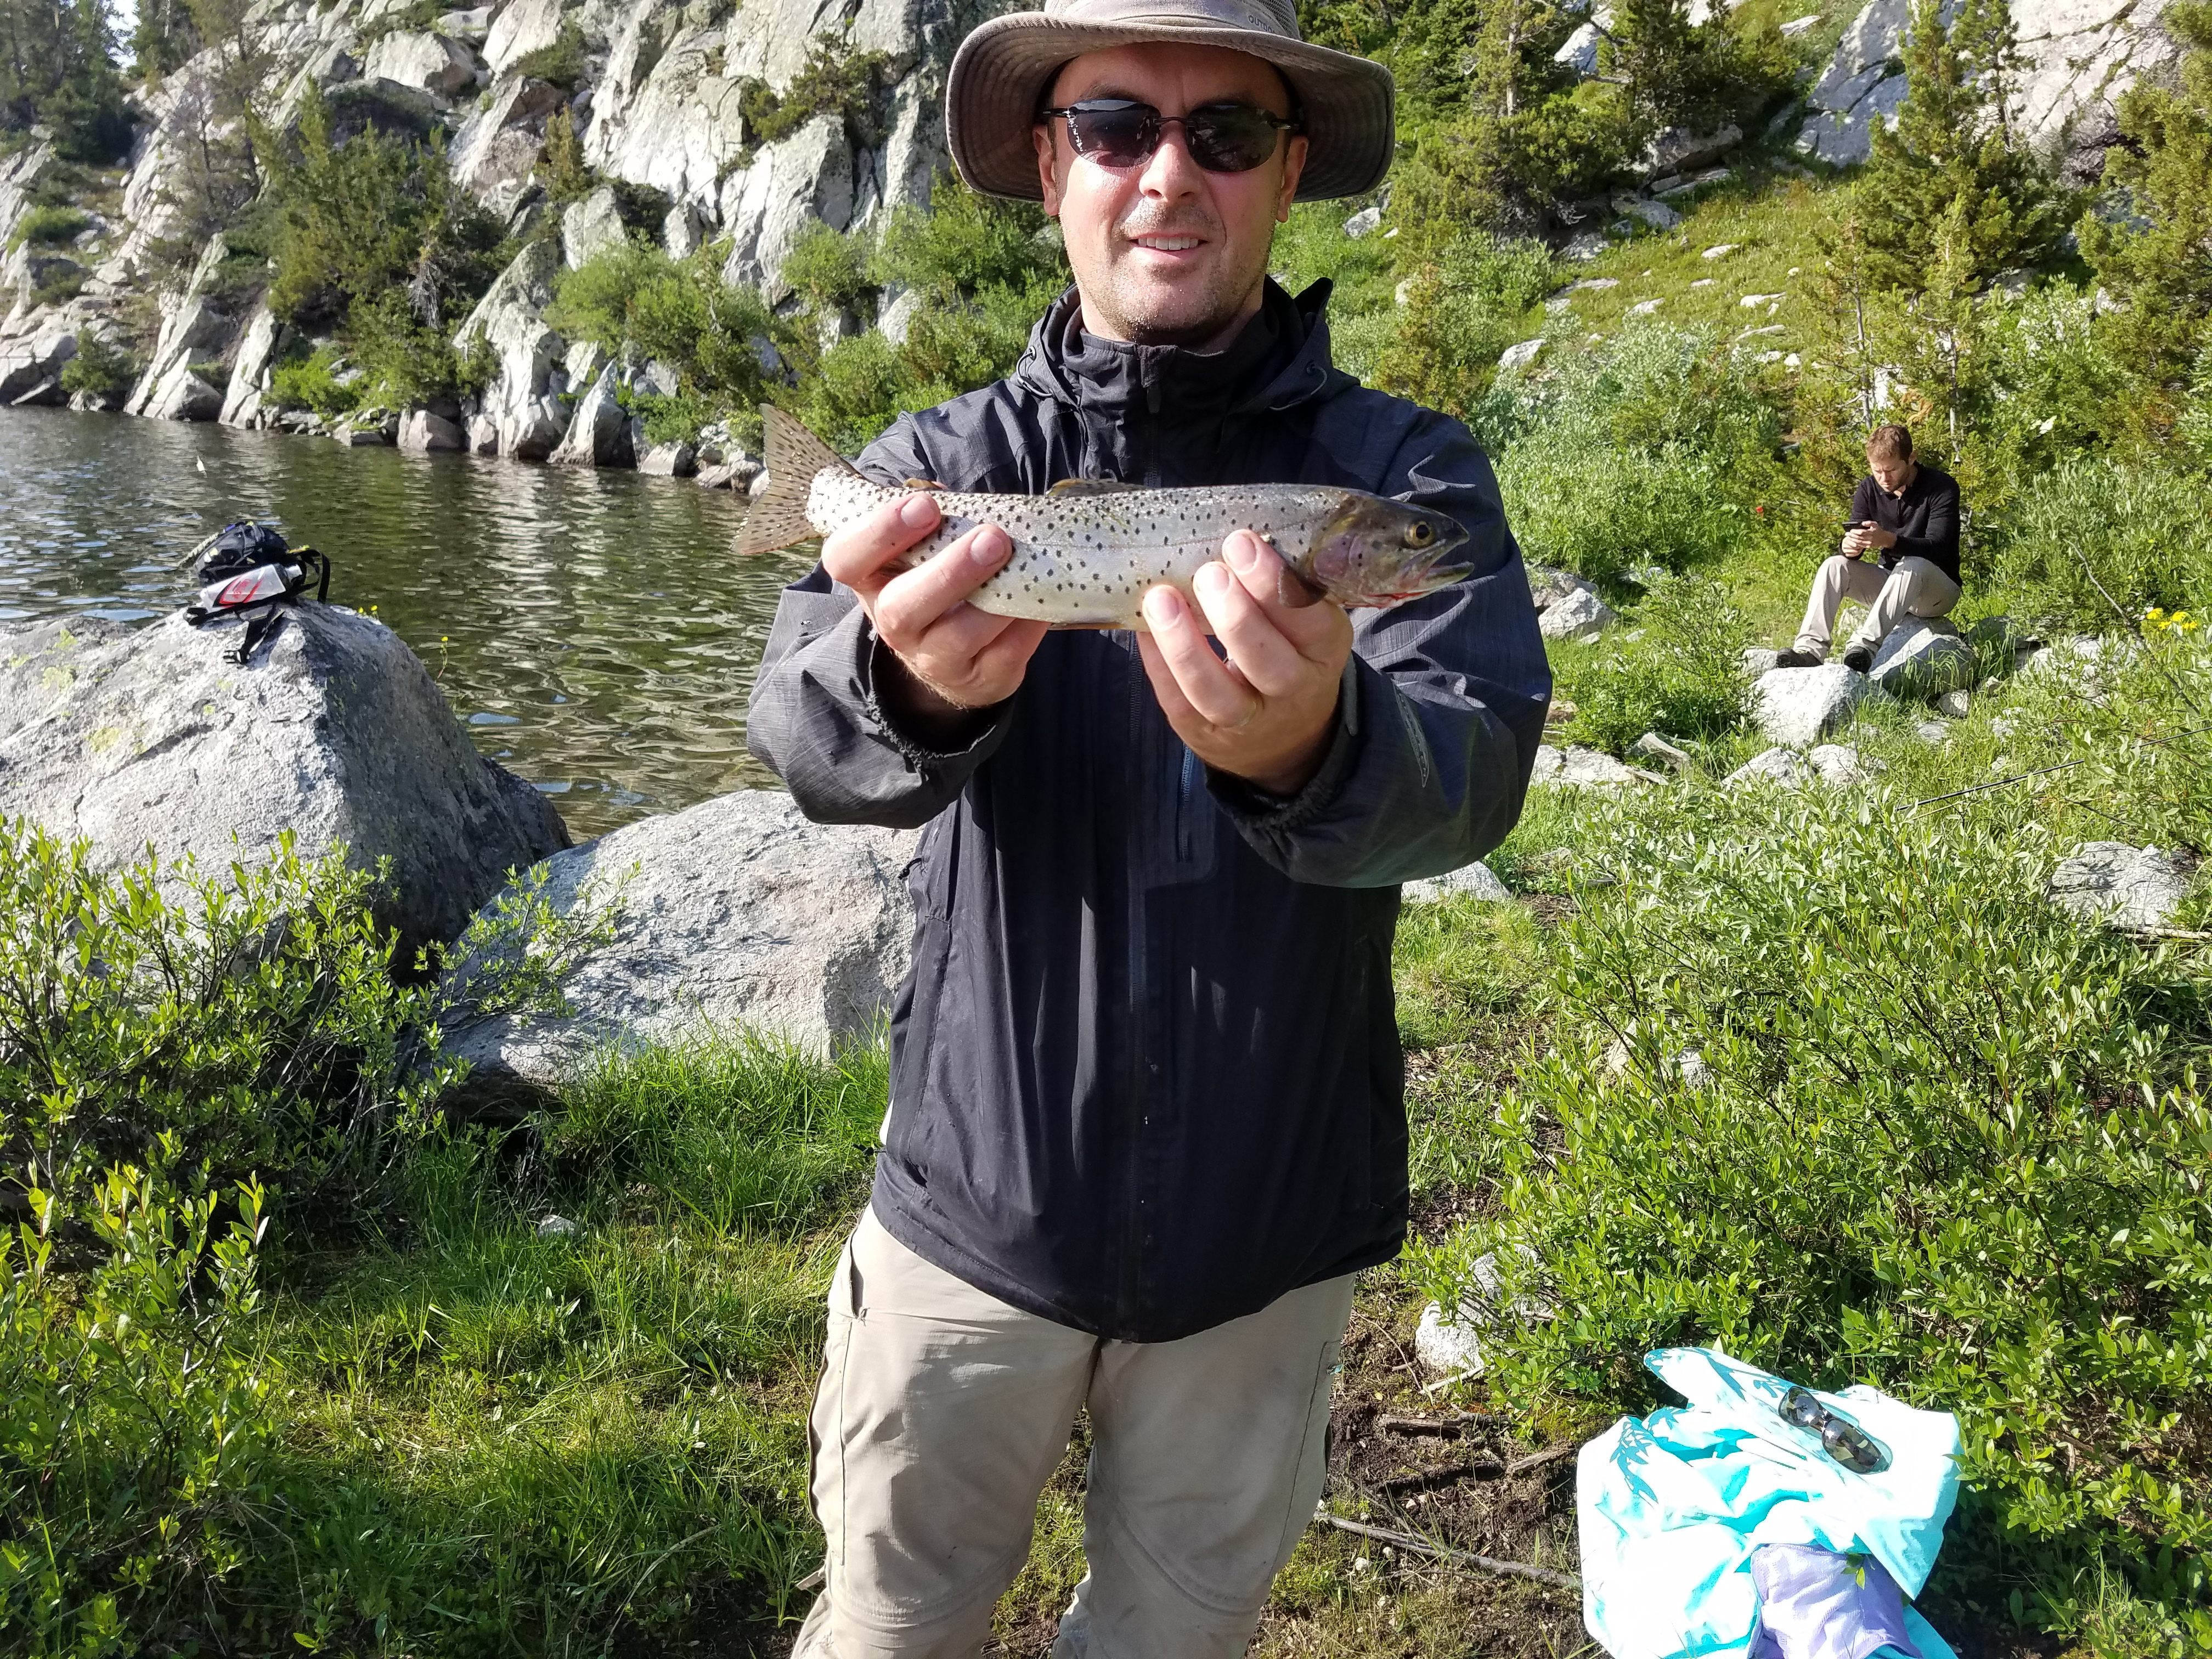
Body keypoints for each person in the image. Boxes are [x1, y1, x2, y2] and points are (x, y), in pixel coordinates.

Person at [744, 0, 1549, 1649]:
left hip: (1266, 1234)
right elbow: (803, 739)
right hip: (972, 1212)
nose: (1166, 175)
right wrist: (914, 694)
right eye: (1116, 126)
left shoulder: (1407, 480)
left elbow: (1474, 777)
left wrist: (1318, 745)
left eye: (1226, 134)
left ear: (1288, 172)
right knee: (890, 1622)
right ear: (1052, 166)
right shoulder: (942, 468)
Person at [1775, 424, 1961, 674]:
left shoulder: (1941, 487)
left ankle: (1863, 648)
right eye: (1877, 471)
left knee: (1913, 563)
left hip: (1936, 592)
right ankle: (1810, 651)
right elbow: (1855, 544)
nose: (1884, 479)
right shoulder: (1868, 488)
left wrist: (1888, 540)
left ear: (1912, 459)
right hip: (1891, 585)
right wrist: (1849, 547)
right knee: (1835, 565)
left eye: (1892, 470)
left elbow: (1937, 547)